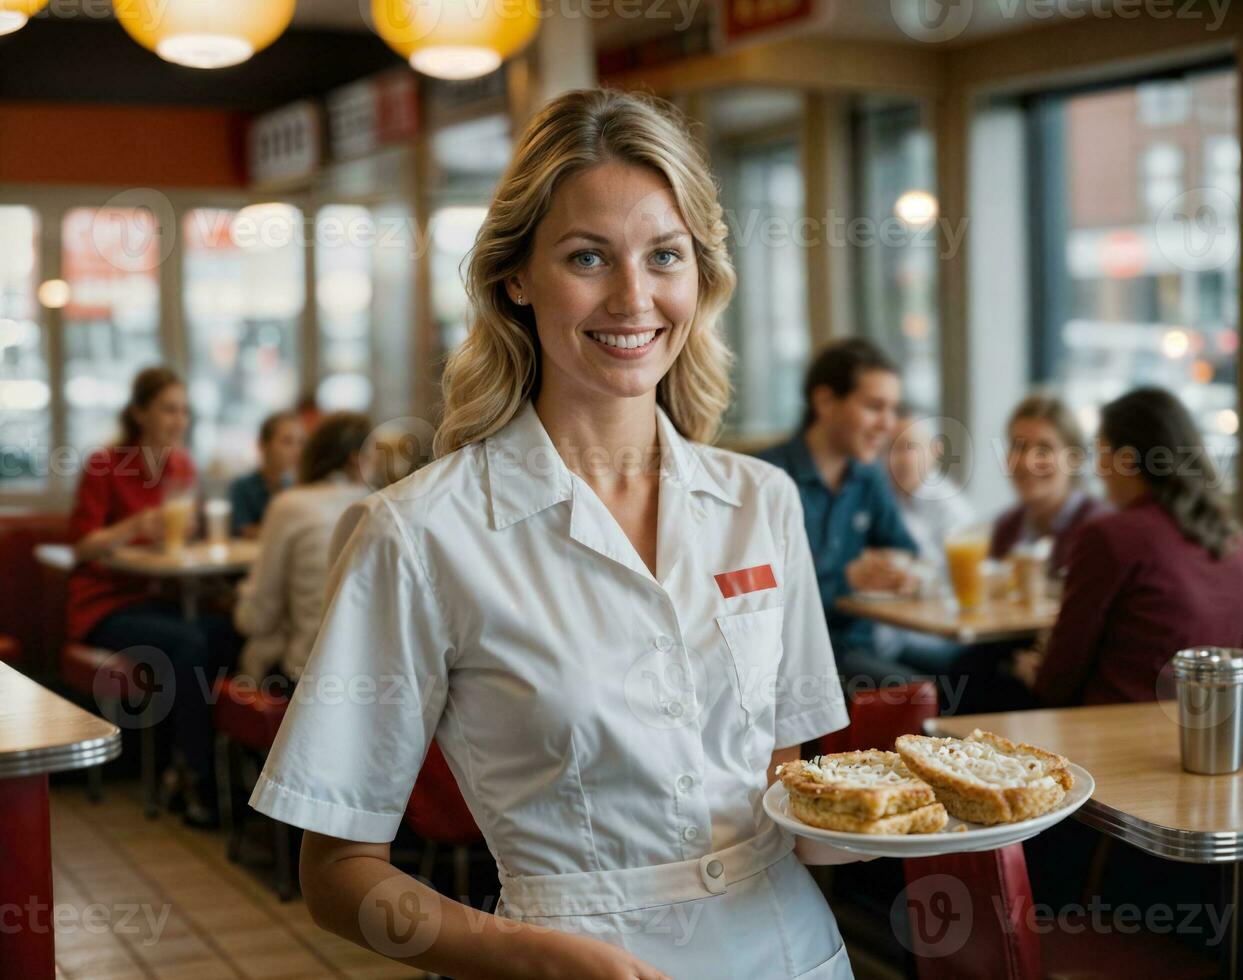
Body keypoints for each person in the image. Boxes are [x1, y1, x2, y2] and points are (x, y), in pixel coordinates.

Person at [250, 88, 859, 979]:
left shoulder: (762, 501)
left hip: (796, 953)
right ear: (516, 276)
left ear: (701, 276)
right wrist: (527, 957)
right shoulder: (419, 534)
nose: (633, 297)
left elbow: (794, 798)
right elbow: (338, 877)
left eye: (664, 256)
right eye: (587, 257)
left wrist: (918, 828)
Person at [67, 366, 239, 827]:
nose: (178, 419)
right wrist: (133, 527)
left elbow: (184, 539)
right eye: (168, 409)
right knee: (189, 643)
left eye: (184, 411)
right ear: (140, 412)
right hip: (105, 604)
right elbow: (81, 546)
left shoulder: (181, 465)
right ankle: (194, 777)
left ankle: (212, 768)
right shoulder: (106, 465)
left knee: (225, 630)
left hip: (161, 596)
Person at [1014, 387, 1243, 705]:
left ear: (1126, 460)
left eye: (1102, 453)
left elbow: (1058, 677)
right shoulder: (1238, 543)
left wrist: (1031, 672)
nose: (1099, 470)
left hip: (1106, 734)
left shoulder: (1110, 536)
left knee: (974, 669)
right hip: (1204, 735)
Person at [757, 339, 919, 679]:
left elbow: (905, 550)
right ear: (825, 401)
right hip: (792, 657)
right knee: (915, 693)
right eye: (875, 406)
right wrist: (846, 580)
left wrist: (899, 571)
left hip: (861, 646)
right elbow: (757, 594)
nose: (889, 424)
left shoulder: (868, 477)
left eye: (893, 409)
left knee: (975, 669)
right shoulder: (764, 480)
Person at [233, 412, 373, 684]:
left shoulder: (290, 504)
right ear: (356, 458)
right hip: (374, 676)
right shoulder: (381, 503)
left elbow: (256, 619)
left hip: (307, 678)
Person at [872, 408, 976, 674]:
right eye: (890, 449)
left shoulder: (952, 510)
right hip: (886, 632)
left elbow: (962, 584)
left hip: (934, 635)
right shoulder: (879, 502)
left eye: (910, 447)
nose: (901, 459)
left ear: (935, 450)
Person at [990, 393, 1108, 579]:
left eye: (1044, 449)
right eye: (1018, 447)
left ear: (1074, 459)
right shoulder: (1005, 528)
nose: (1028, 462)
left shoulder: (1099, 530)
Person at [228, 411, 305, 539]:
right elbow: (244, 531)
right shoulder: (242, 487)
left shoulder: (301, 488)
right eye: (287, 442)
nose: (296, 450)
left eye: (301, 442)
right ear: (263, 445)